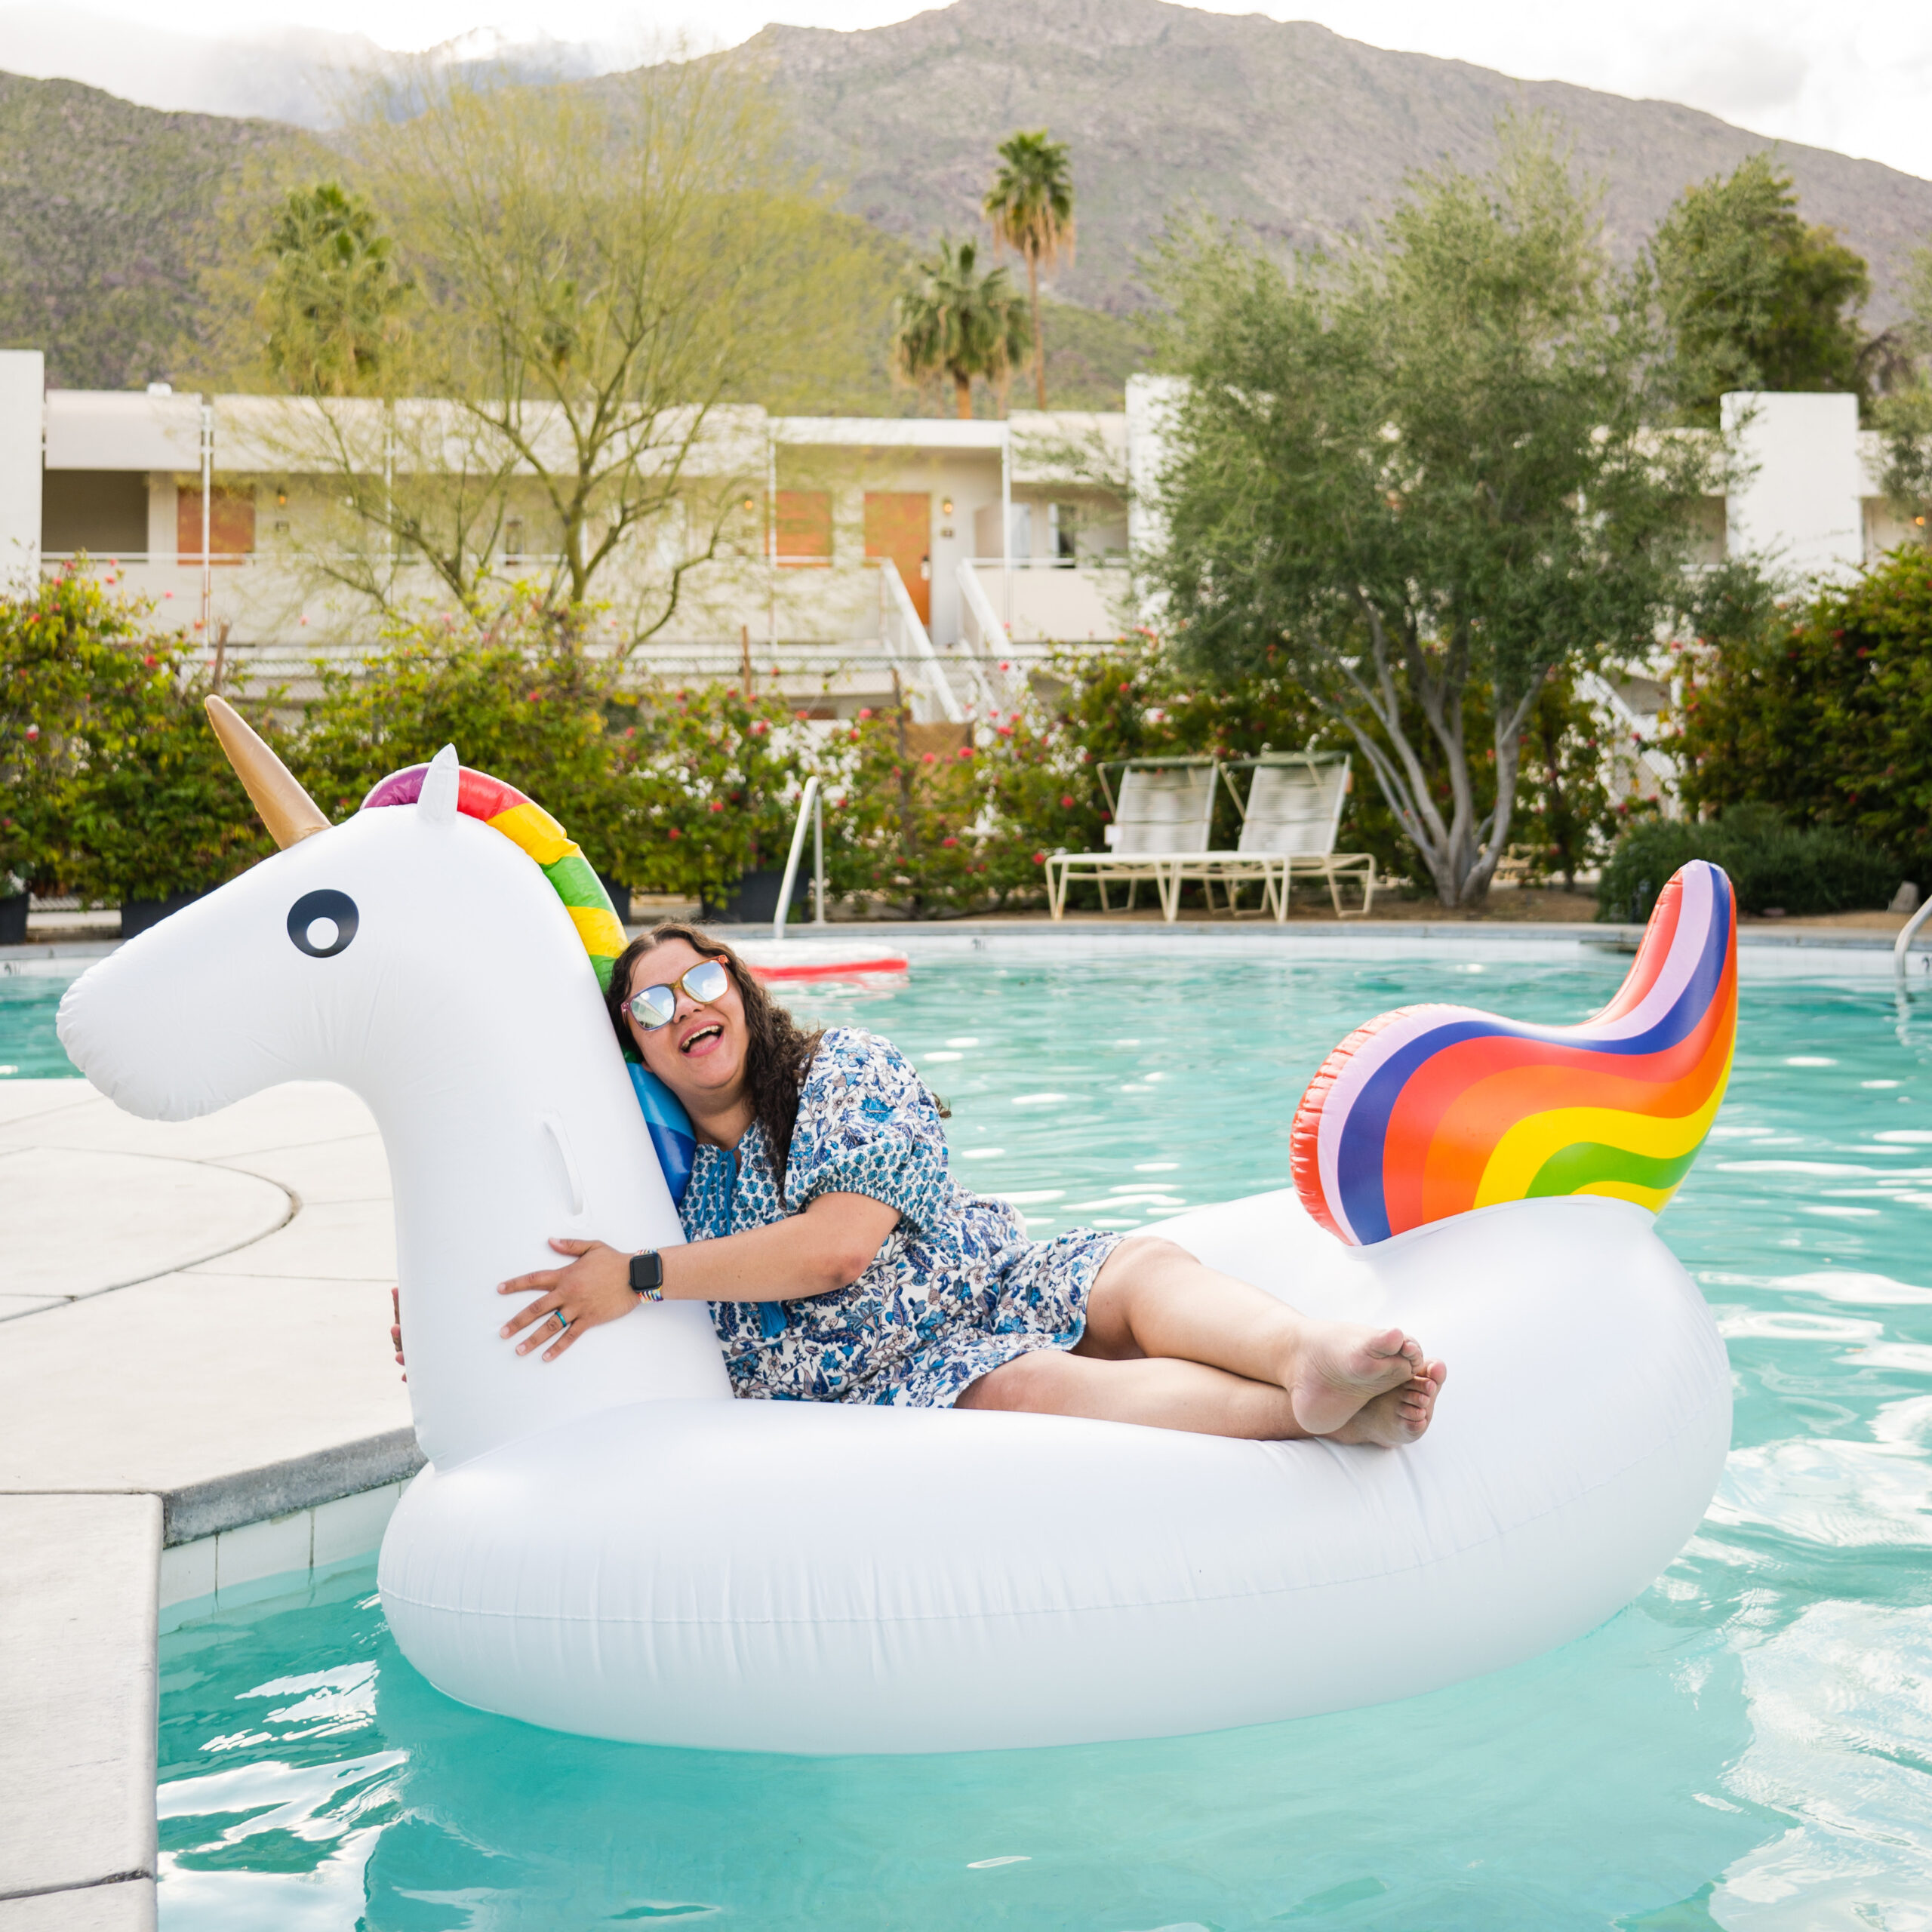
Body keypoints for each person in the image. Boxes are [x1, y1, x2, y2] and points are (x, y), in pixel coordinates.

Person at [460, 924, 1446, 1445]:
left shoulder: (839, 1071)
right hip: (889, 1376)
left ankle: (1304, 1350)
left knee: (1136, 1273)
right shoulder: (669, 1186)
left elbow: (838, 1247)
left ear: (737, 982)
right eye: (651, 1006)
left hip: (990, 1282)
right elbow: (540, 1235)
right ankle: (1309, 1408)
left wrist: (638, 1273)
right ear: (634, 1047)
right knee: (1029, 1386)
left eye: (700, 981)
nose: (685, 1010)